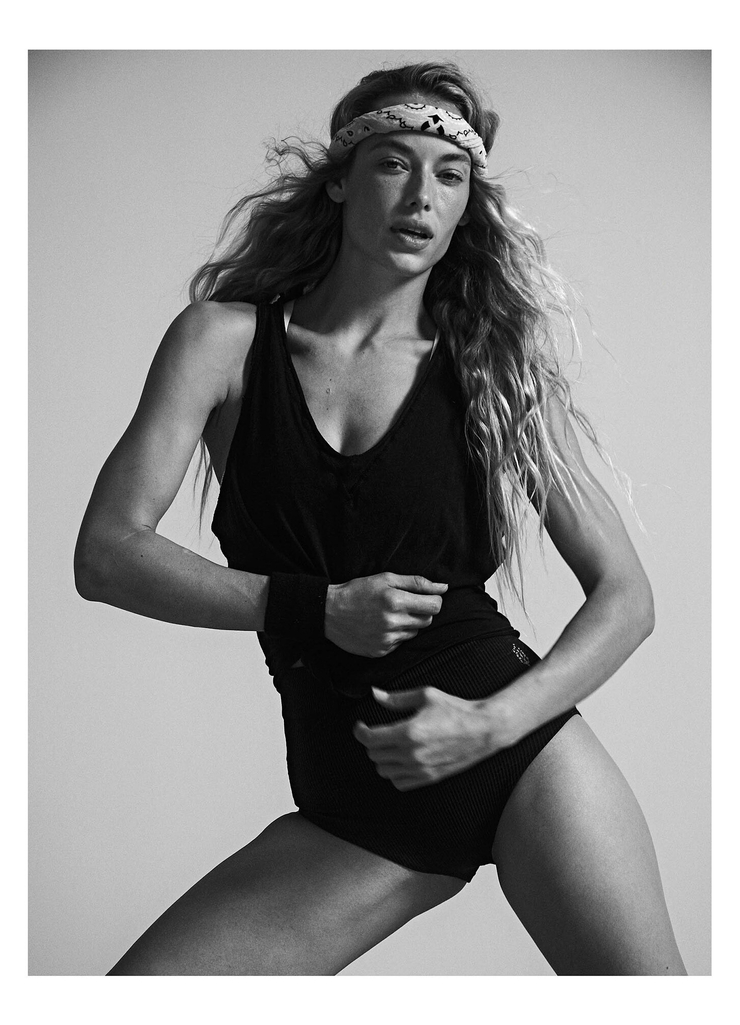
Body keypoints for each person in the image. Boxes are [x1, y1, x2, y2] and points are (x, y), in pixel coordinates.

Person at [74, 60, 686, 976]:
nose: (421, 195)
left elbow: (627, 597)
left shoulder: (492, 366)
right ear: (340, 182)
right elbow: (107, 553)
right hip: (351, 800)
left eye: (450, 175)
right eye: (394, 163)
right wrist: (313, 608)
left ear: (468, 205)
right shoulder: (223, 343)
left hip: (516, 755)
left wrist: (490, 726)